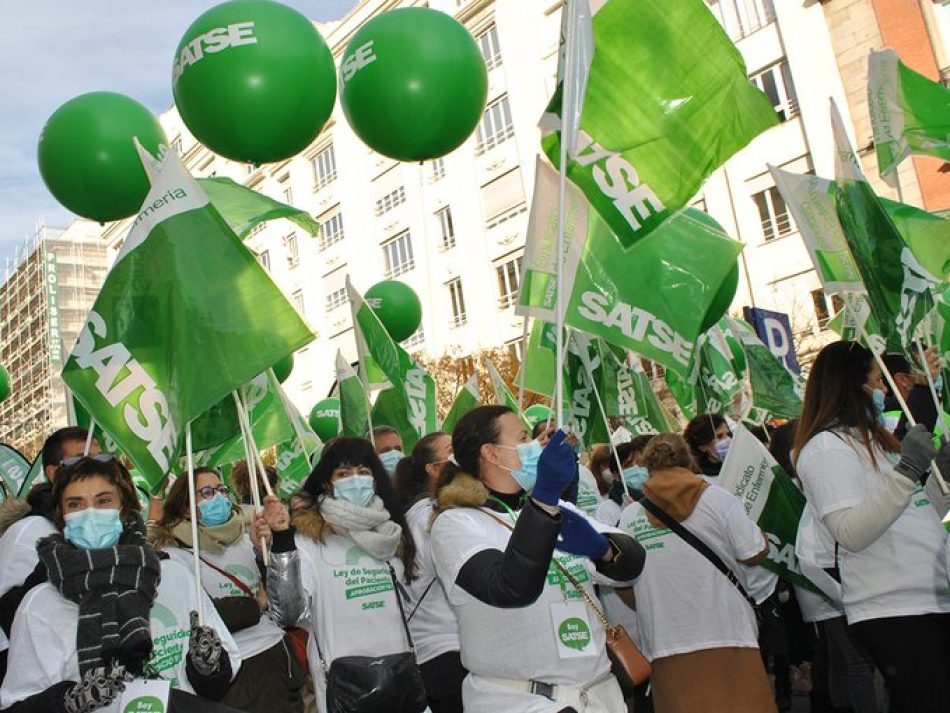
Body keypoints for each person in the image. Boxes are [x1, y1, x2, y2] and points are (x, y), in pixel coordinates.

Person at [428, 405, 646, 712]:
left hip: (597, 695)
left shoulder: (557, 509)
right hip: (522, 700)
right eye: (523, 437)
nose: (535, 444)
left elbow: (632, 565)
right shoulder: (457, 524)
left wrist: (602, 549)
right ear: (491, 453)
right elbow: (511, 587)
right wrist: (543, 499)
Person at [0, 454, 241, 711]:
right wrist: (69, 700)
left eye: (103, 501)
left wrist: (208, 667)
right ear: (61, 518)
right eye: (75, 504)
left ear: (124, 510)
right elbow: (16, 706)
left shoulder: (174, 576)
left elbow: (216, 684)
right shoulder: (40, 606)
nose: (90, 514)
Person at [794, 340, 950, 712]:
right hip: (891, 603)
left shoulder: (877, 442)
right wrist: (909, 470)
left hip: (927, 593)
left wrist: (938, 479)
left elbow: (914, 508)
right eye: (877, 381)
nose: (884, 390)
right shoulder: (824, 448)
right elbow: (851, 531)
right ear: (850, 385)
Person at [256, 437, 421, 713]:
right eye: (343, 474)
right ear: (326, 484)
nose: (355, 480)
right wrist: (283, 542)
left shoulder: (391, 535)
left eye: (363, 472)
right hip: (344, 684)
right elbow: (287, 613)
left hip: (399, 677)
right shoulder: (309, 541)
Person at [617, 433, 776, 713]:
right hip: (730, 633)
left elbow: (622, 582)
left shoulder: (630, 518)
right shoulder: (719, 500)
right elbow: (753, 552)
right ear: (688, 459)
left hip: (665, 643)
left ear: (647, 467)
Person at [149, 467, 304, 713]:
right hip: (233, 676)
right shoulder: (173, 557)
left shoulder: (246, 539)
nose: (219, 498)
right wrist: (256, 605)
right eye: (207, 492)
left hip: (277, 660)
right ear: (186, 506)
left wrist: (265, 550)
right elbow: (199, 617)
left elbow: (287, 608)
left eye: (221, 490)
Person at [0, 428, 100, 683]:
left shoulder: (107, 529)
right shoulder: (28, 532)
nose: (95, 470)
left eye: (101, 461)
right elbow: (8, 617)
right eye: (81, 460)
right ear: (54, 473)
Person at [393, 432, 465, 713]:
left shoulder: (436, 510)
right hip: (445, 651)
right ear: (433, 469)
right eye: (452, 450)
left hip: (449, 650)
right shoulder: (428, 516)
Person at [880, 349, 947, 441]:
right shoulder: (890, 421)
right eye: (922, 368)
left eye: (936, 367)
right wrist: (923, 387)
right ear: (903, 379)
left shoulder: (938, 411)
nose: (936, 374)